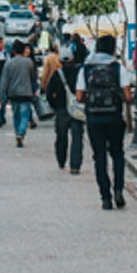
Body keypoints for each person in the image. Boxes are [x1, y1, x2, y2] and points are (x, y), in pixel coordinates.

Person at [75, 33, 134, 210]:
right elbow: (128, 96)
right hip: (114, 117)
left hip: (93, 118)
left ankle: (105, 197)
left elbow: (79, 97)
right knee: (117, 154)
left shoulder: (85, 69)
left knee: (99, 157)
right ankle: (118, 190)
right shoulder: (118, 68)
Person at [55, 36, 88, 175]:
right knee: (77, 137)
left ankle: (61, 159)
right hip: (77, 108)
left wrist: (55, 105)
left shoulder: (57, 74)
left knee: (61, 136)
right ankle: (75, 165)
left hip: (62, 109)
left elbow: (50, 91)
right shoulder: (79, 72)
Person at [0, 40, 38, 148]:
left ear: (14, 50)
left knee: (16, 115)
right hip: (26, 92)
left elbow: (4, 80)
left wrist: (1, 95)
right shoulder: (29, 62)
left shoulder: (9, 63)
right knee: (24, 115)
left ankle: (17, 134)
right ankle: (21, 132)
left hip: (13, 93)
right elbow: (32, 77)